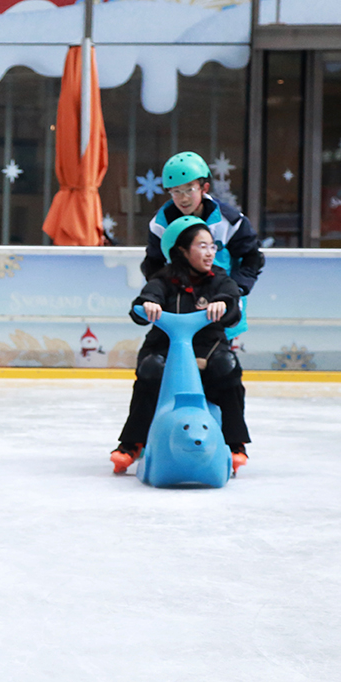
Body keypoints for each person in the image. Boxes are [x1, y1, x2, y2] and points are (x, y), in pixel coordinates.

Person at [111, 215, 250, 476]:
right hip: (166, 349)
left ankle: (235, 443)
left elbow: (231, 302)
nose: (210, 253)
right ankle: (132, 443)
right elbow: (144, 301)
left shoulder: (218, 279)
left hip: (208, 349)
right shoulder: (164, 280)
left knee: (227, 367)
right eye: (202, 246)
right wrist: (149, 304)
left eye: (212, 246)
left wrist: (223, 304)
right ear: (182, 251)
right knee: (151, 370)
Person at [143, 151, 264, 339]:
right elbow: (153, 264)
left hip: (220, 304)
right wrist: (160, 295)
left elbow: (252, 258)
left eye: (189, 189)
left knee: (219, 362)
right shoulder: (160, 224)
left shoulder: (230, 221)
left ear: (204, 188)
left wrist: (234, 292)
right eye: (176, 191)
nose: (183, 198)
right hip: (178, 308)